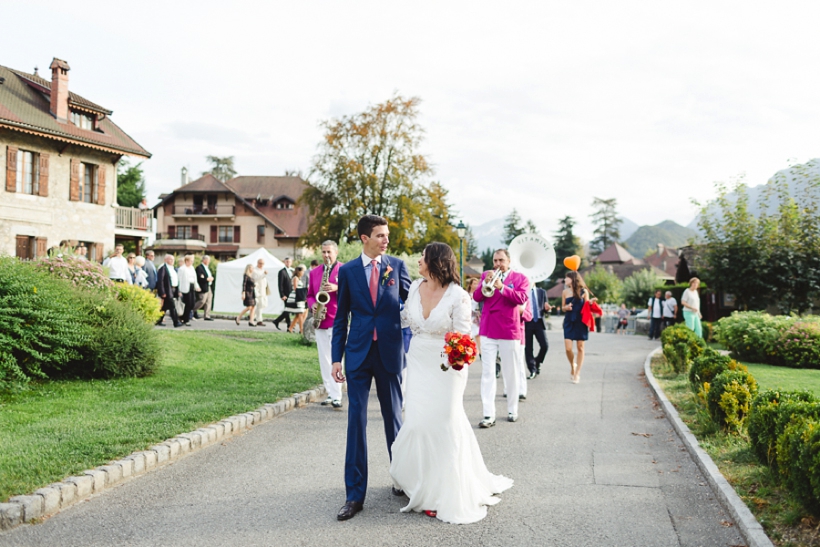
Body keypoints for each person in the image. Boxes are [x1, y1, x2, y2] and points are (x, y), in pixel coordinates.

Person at [390, 243, 513, 523]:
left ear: (435, 262)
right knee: (419, 422)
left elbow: (463, 334)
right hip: (419, 361)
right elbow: (406, 319)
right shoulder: (414, 288)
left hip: (448, 366)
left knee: (445, 423)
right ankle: (420, 481)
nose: (418, 262)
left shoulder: (458, 295)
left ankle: (442, 491)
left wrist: (454, 357)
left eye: (422, 258)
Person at [331, 214, 411, 521]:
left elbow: (414, 302)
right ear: (364, 238)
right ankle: (354, 495)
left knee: (394, 420)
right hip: (359, 354)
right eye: (380, 235)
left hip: (390, 353)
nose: (386, 239)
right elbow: (341, 318)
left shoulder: (398, 266)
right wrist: (337, 358)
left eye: (387, 234)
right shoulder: (348, 271)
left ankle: (401, 481)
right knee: (356, 421)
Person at [472, 249, 529, 427]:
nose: (497, 264)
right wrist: (484, 285)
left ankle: (512, 409)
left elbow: (521, 298)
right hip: (488, 328)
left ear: (509, 261)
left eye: (501, 260)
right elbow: (476, 297)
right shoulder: (485, 275)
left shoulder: (521, 279)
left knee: (510, 372)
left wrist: (502, 287)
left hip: (509, 329)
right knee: (488, 373)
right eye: (495, 260)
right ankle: (488, 414)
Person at [306, 241, 344, 409]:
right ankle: (330, 392)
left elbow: (353, 292)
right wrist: (313, 304)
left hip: (337, 320)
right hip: (321, 321)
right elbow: (309, 295)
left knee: (336, 359)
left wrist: (337, 287)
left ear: (336, 252)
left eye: (329, 252)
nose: (326, 255)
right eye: (323, 252)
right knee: (324, 359)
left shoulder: (344, 270)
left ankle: (337, 395)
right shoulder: (314, 272)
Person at [562, 271, 589, 383]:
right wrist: (566, 307)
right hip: (569, 321)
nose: (565, 280)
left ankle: (577, 373)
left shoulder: (584, 291)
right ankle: (572, 365)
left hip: (581, 321)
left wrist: (590, 302)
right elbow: (562, 307)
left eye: (566, 278)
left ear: (572, 279)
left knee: (580, 347)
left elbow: (587, 307)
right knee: (568, 348)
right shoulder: (565, 292)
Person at [524, 284, 551, 379]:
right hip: (527, 322)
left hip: (539, 322)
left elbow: (545, 307)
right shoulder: (523, 290)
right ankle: (532, 370)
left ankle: (537, 361)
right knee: (528, 348)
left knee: (545, 345)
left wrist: (547, 309)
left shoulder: (542, 292)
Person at [156, 254, 181, 328]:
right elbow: (160, 281)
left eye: (173, 259)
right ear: (166, 260)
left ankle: (158, 320)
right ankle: (176, 322)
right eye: (170, 259)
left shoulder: (172, 268)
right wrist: (162, 292)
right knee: (172, 306)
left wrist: (177, 290)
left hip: (173, 289)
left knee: (164, 307)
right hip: (167, 290)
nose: (172, 261)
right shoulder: (163, 268)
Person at [272, 257, 294, 330]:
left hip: (292, 293)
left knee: (288, 309)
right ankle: (288, 325)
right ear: (284, 262)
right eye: (286, 261)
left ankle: (278, 321)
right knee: (288, 309)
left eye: (289, 262)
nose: (288, 263)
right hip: (286, 294)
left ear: (291, 262)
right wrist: (282, 294)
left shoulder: (293, 270)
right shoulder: (282, 271)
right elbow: (280, 284)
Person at [286, 266, 308, 333]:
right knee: (300, 313)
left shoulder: (299, 278)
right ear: (299, 271)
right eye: (302, 271)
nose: (303, 272)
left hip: (299, 296)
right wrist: (303, 295)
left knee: (299, 314)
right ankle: (301, 329)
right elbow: (295, 288)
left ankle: (291, 328)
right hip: (296, 296)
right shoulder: (295, 278)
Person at [177, 254, 198, 326]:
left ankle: (183, 317)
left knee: (192, 303)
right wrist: (179, 290)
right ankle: (186, 320)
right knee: (188, 303)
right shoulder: (182, 269)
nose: (192, 262)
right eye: (190, 261)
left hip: (191, 286)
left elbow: (195, 278)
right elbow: (179, 279)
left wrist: (197, 286)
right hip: (185, 287)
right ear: (186, 261)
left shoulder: (192, 268)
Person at [193, 255, 215, 321]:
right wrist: (207, 279)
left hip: (208, 286)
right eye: (208, 260)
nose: (209, 261)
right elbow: (200, 278)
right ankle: (192, 310)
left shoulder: (207, 268)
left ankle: (207, 315)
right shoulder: (199, 268)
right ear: (204, 260)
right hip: (203, 287)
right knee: (202, 301)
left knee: (208, 301)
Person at [465, 278, 482, 357]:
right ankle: (470, 350)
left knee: (478, 334)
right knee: (469, 334)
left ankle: (481, 351)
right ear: (471, 285)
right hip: (468, 315)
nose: (475, 285)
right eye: (474, 283)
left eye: (477, 284)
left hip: (476, 316)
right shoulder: (466, 294)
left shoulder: (478, 294)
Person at [251, 258, 268, 326]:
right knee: (260, 305)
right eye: (260, 263)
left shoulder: (262, 270)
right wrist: (264, 274)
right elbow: (256, 279)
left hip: (263, 290)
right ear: (257, 263)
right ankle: (259, 320)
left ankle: (253, 315)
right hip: (258, 290)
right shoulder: (255, 270)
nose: (261, 265)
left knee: (264, 304)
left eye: (262, 263)